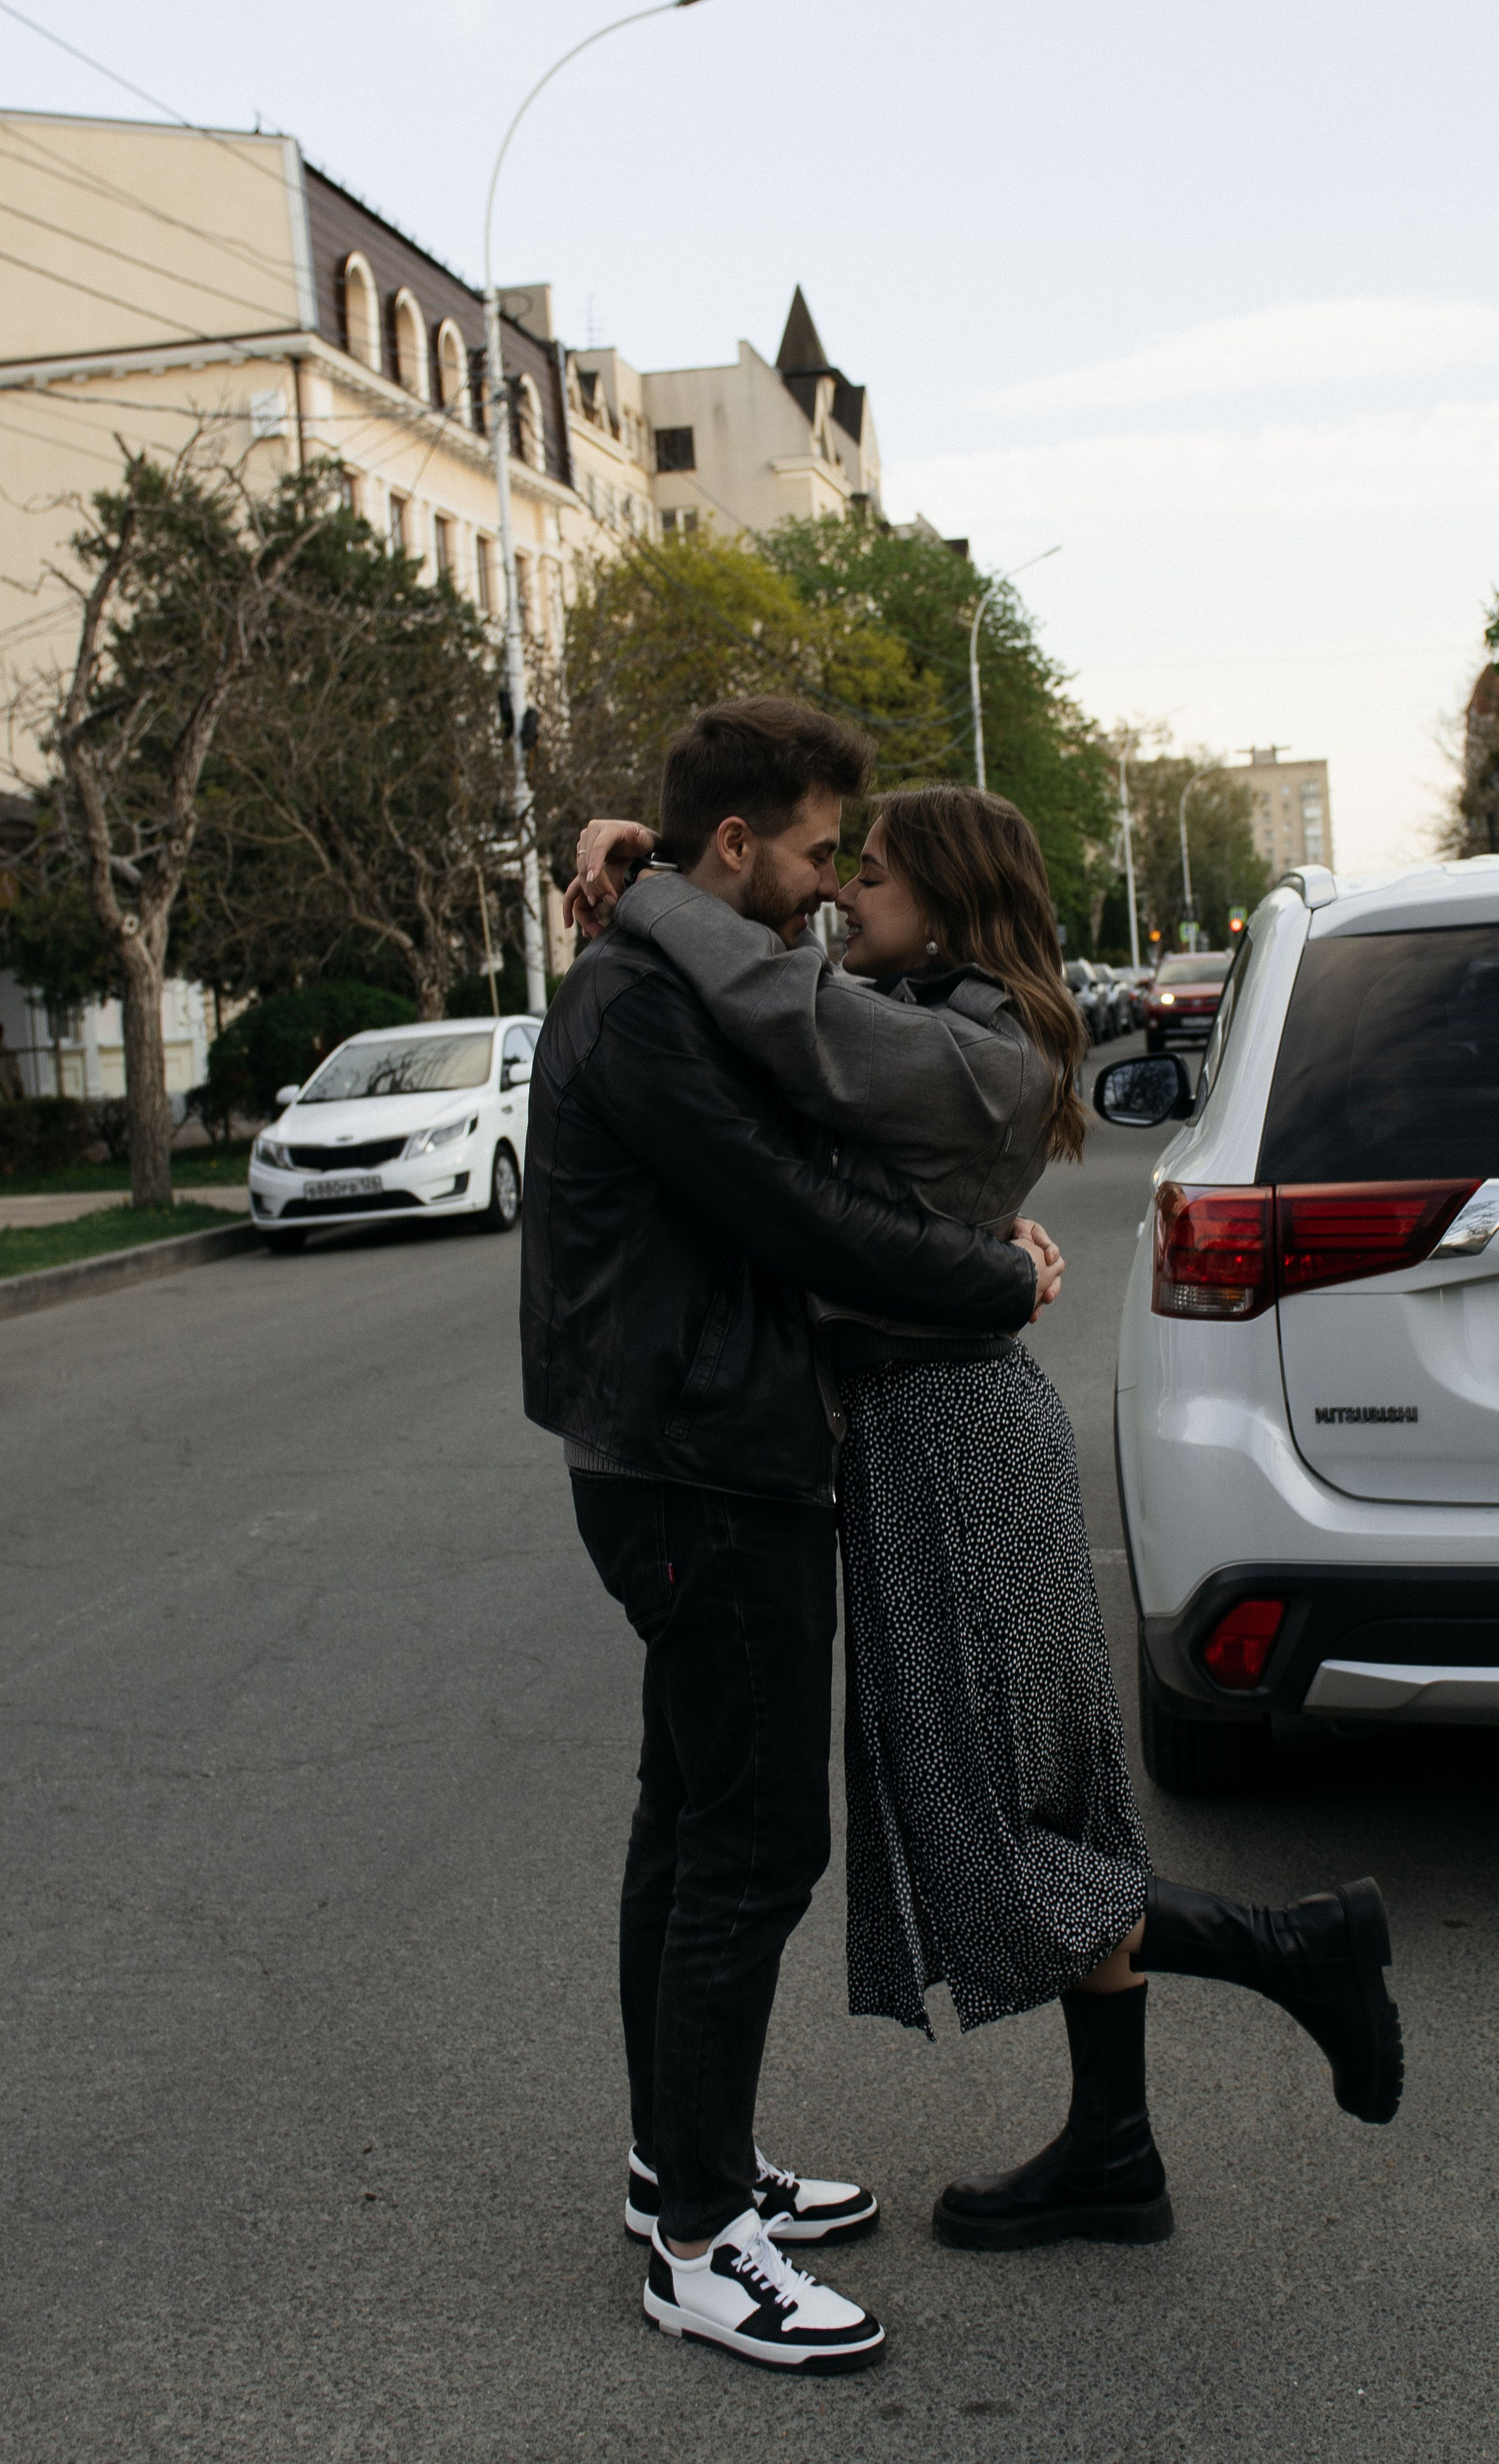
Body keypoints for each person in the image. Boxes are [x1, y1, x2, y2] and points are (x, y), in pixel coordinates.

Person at [571, 781, 1402, 2255]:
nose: (839, 898)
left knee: (985, 1833)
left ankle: (1296, 1950)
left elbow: (784, 1020)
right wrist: (643, 861)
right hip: (926, 1428)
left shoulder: (968, 1039)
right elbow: (763, 999)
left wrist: (643, 885)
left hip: (946, 1437)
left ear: (949, 895)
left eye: (870, 873)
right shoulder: (928, 1005)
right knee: (1035, 1807)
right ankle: (1112, 2150)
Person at [522, 700, 1061, 2373]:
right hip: (706, 1468)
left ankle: (676, 2165)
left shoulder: (650, 975)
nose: (833, 890)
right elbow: (788, 1204)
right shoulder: (638, 1002)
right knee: (749, 1849)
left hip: (688, 1450)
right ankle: (699, 2246)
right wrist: (997, 1279)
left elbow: (810, 1102)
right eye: (820, 852)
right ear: (737, 845)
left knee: (687, 1826)